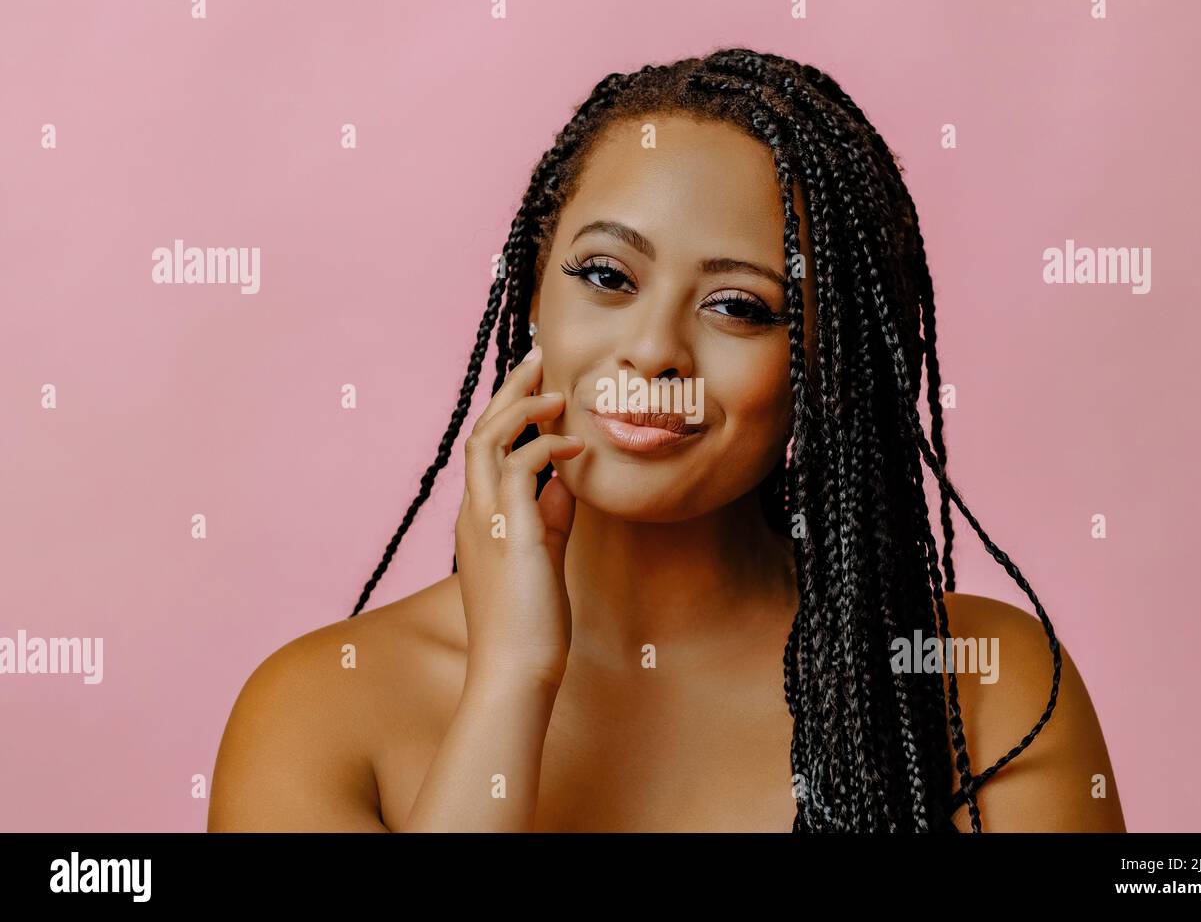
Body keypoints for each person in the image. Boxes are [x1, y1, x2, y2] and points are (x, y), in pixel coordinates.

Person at [208, 48, 1126, 832]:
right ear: (532, 291)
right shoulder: (319, 706)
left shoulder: (985, 692)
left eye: (739, 307)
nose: (652, 351)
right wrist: (512, 678)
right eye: (607, 276)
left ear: (825, 363)